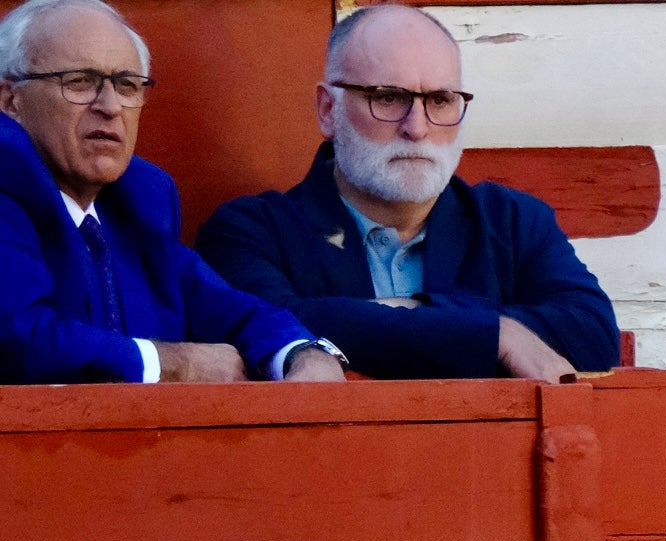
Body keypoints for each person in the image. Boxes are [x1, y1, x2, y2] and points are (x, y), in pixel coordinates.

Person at [197, 1, 617, 382]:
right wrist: (497, 334)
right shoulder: (251, 232)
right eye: (389, 97)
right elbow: (275, 323)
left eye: (440, 100)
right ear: (328, 110)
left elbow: (593, 333)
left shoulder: (514, 223)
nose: (417, 128)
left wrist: (410, 311)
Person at [0, 0, 340, 384]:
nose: (110, 107)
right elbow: (17, 335)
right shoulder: (7, 180)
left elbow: (227, 308)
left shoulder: (134, 202)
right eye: (79, 81)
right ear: (10, 99)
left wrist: (301, 352)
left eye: (127, 85)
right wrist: (174, 364)